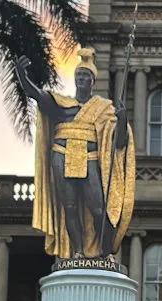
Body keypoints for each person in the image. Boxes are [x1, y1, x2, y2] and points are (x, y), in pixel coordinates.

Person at [14, 47, 136, 259]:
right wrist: (23, 77)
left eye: (85, 76)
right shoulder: (62, 104)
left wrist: (122, 119)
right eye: (78, 75)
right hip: (61, 155)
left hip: (89, 158)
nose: (81, 79)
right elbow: (36, 94)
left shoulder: (103, 109)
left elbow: (120, 143)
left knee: (99, 209)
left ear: (92, 81)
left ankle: (105, 253)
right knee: (69, 207)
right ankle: (78, 251)